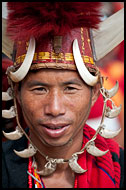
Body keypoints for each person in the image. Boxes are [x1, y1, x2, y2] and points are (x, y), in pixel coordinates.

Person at [2, 2, 124, 188]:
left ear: (94, 93)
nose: (55, 108)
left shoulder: (119, 170)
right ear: (17, 92)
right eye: (39, 89)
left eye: (70, 89)